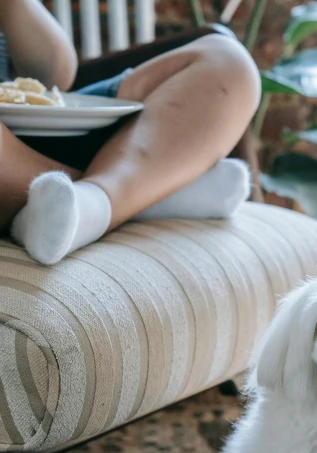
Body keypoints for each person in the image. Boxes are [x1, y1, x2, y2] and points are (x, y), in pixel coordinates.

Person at [0, 0, 261, 265]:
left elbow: (55, 79)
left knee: (226, 61)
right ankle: (145, 195)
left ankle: (94, 198)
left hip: (41, 126)